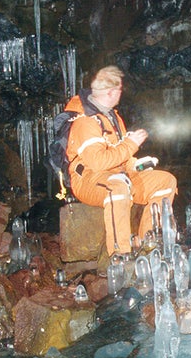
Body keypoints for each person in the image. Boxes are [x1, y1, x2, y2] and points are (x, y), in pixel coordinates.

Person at [64, 65, 177, 257]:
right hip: (90, 180)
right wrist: (131, 144)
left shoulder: (112, 117)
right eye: (119, 90)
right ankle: (120, 255)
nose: (121, 94)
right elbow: (98, 162)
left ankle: (148, 244)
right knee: (118, 188)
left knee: (165, 182)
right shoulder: (85, 122)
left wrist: (138, 164)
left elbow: (120, 157)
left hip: (117, 175)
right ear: (110, 92)